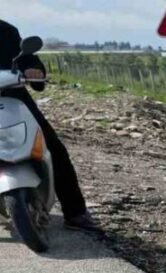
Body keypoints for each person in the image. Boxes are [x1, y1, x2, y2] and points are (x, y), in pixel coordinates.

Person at [0, 20, 99, 232]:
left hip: (12, 98)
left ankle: (76, 213)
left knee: (53, 148)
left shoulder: (5, 31)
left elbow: (27, 59)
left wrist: (34, 70)